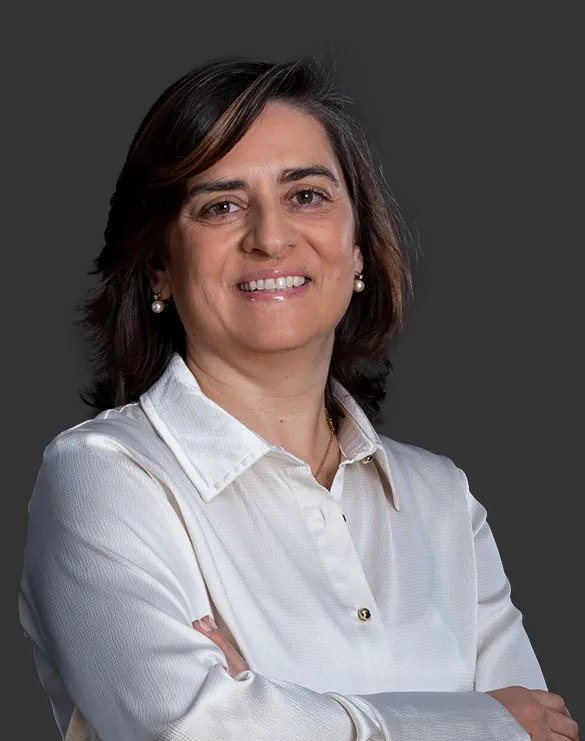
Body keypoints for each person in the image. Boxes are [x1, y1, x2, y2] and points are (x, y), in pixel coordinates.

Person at [18, 57, 577, 741]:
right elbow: (195, 732)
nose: (270, 237)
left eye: (306, 195)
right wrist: (480, 721)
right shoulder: (104, 476)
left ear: (358, 246)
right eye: (221, 206)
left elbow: (546, 731)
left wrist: (267, 710)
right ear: (159, 265)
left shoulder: (442, 501)